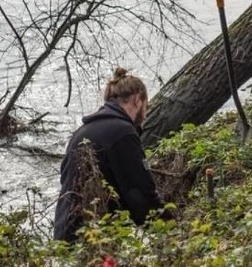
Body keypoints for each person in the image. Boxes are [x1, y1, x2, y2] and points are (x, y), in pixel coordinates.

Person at [53, 67, 167, 241]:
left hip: (64, 233)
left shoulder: (81, 133)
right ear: (137, 99)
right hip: (93, 238)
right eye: (146, 106)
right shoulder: (123, 132)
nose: (145, 114)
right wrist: (169, 231)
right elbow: (140, 192)